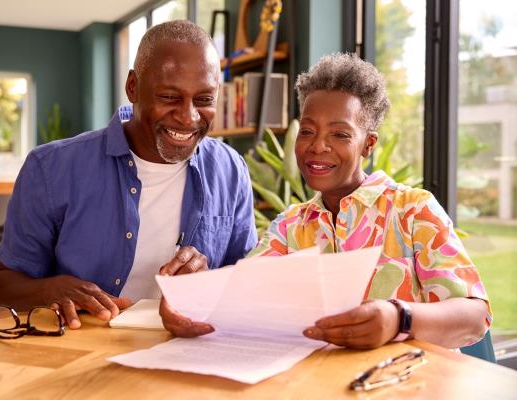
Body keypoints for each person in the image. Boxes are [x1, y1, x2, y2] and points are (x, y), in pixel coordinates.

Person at [166, 53, 492, 349]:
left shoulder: (413, 211)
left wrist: (399, 319)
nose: (317, 146)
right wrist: (193, 302)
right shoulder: (291, 227)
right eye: (307, 131)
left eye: (340, 134)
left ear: (368, 145)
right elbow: (240, 302)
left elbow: (475, 317)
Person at [0, 20, 257, 330]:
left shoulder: (230, 169)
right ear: (133, 87)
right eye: (170, 97)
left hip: (189, 349)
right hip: (79, 353)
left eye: (204, 100)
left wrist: (209, 284)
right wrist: (51, 289)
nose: (188, 117)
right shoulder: (51, 168)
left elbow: (245, 281)